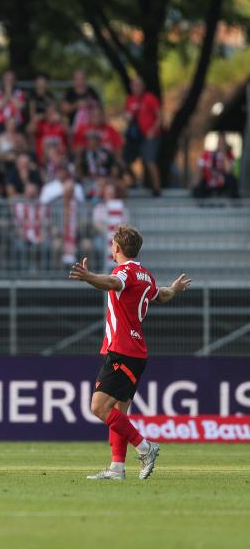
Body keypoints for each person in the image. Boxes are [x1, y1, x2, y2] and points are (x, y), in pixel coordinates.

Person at [69, 225, 191, 480]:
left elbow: (113, 282)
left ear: (118, 247)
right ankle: (117, 468)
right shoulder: (146, 276)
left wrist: (89, 276)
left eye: (112, 243)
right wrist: (175, 289)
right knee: (119, 413)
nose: (111, 247)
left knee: (99, 408)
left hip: (121, 350)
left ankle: (146, 448)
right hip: (137, 353)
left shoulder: (123, 272)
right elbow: (163, 296)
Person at [123, 76, 162, 196]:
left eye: (138, 84)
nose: (136, 87)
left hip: (149, 136)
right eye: (134, 85)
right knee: (124, 160)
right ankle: (135, 181)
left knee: (149, 161)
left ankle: (156, 188)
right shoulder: (129, 100)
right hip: (135, 138)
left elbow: (160, 116)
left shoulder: (150, 98)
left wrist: (153, 130)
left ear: (143, 86)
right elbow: (127, 117)